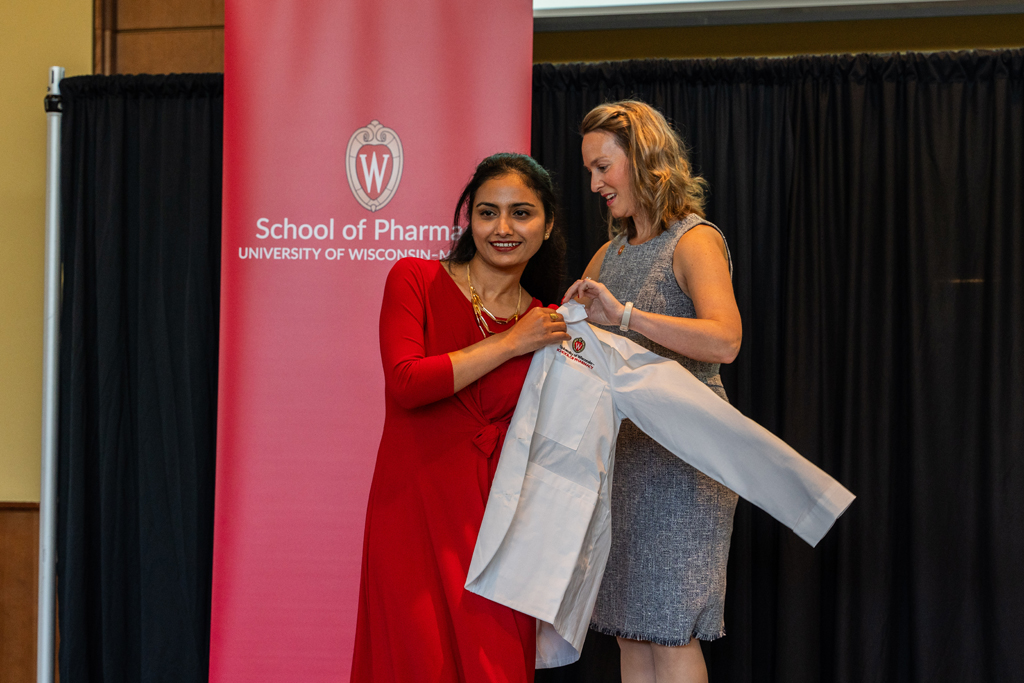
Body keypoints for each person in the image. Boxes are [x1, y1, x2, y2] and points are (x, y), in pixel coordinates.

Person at [350, 153, 570, 683]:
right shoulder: (415, 279)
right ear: (468, 218)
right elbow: (407, 382)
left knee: (494, 665)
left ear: (547, 225)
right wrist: (511, 342)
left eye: (521, 213)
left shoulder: (548, 321)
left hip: (500, 525)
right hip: (414, 511)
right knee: (417, 662)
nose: (503, 228)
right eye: (488, 212)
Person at [562, 100, 743, 683]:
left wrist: (627, 315)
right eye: (589, 171)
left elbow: (725, 340)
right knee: (630, 634)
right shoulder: (607, 255)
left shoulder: (694, 242)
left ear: (643, 159)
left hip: (684, 465)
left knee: (670, 630)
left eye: (603, 167)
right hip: (624, 461)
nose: (594, 184)